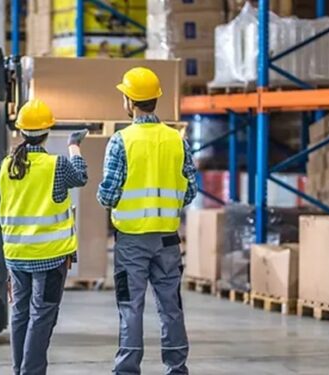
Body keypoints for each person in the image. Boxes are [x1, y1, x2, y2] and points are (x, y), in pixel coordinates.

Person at [98, 67, 198, 375]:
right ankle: (176, 368)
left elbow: (108, 196)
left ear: (129, 101)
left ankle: (128, 370)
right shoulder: (176, 140)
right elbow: (190, 190)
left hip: (131, 242)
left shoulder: (121, 141)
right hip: (168, 240)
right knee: (171, 306)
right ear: (156, 99)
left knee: (131, 306)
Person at [0, 99, 88, 375]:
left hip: (16, 254)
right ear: (47, 131)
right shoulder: (56, 165)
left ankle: (20, 370)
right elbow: (81, 176)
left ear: (21, 131)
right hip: (49, 257)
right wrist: (74, 146)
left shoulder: (8, 166)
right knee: (42, 316)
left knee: (21, 314)